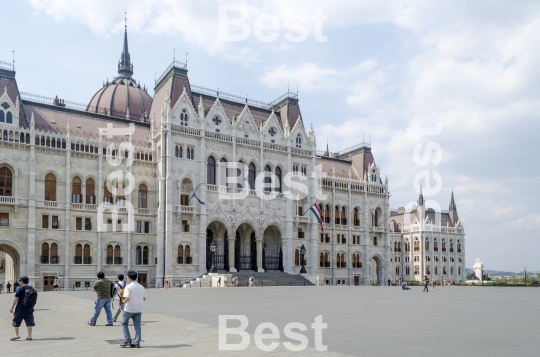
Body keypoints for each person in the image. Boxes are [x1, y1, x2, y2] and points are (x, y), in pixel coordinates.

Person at [121, 270, 147, 348]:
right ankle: (136, 342)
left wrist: (123, 301)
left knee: (124, 323)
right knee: (137, 326)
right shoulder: (141, 286)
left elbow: (127, 298)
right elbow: (144, 298)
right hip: (138, 309)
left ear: (129, 278)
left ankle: (127, 340)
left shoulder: (128, 287)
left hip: (129, 308)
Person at [9, 276, 36, 341]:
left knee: (16, 320)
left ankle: (16, 335)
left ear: (22, 281)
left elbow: (16, 298)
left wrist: (12, 307)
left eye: (19, 281)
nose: (19, 282)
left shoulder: (20, 288)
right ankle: (29, 336)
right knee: (29, 321)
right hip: (30, 307)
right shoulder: (31, 288)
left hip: (21, 307)